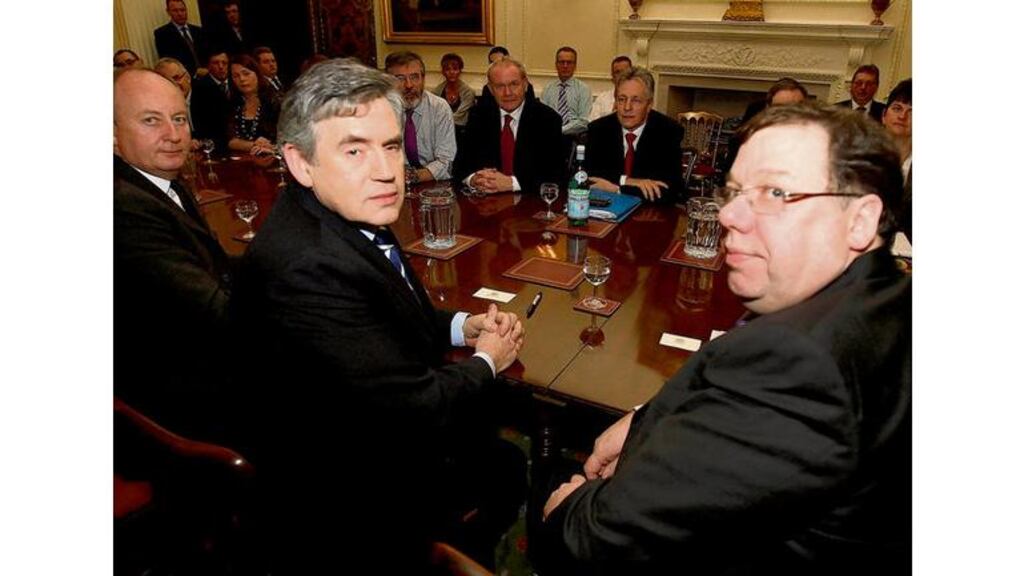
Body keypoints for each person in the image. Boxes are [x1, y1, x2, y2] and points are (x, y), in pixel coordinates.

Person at [539, 103, 910, 574]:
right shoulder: (885, 293)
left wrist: (569, 509)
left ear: (860, 220)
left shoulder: (799, 363)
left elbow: (595, 543)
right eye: (733, 191)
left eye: (775, 192)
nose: (729, 215)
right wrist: (640, 421)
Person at [229, 58, 527, 572]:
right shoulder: (308, 265)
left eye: (390, 146)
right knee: (509, 465)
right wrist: (487, 360)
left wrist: (462, 325)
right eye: (353, 150)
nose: (386, 169)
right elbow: (415, 408)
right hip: (347, 502)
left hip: (361, 434)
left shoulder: (341, 210)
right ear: (299, 163)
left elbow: (386, 308)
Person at [114, 68, 232, 440]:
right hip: (176, 394)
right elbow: (216, 312)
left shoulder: (157, 182)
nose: (174, 134)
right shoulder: (123, 206)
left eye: (179, 119)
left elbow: (213, 267)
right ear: (112, 134)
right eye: (151, 121)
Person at [453, 58, 563, 194]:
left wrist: (511, 183)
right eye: (500, 86)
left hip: (530, 203)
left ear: (525, 84)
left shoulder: (547, 119)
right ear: (491, 89)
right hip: (486, 204)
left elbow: (555, 175)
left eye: (514, 84)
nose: (508, 93)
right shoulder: (479, 116)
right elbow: (460, 167)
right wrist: (473, 179)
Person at [585, 66, 683, 204]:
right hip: (604, 212)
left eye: (636, 100)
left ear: (649, 105)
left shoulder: (668, 131)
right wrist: (628, 181)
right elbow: (588, 179)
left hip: (649, 216)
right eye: (622, 99)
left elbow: (669, 190)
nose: (627, 107)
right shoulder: (599, 129)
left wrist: (616, 189)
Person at [385, 50, 457, 183]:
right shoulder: (380, 110)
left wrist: (413, 177)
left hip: (432, 184)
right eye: (400, 79)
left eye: (414, 77)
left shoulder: (439, 108)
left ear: (423, 79)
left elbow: (446, 162)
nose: (409, 85)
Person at [226, 53, 278, 155]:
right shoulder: (232, 104)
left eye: (246, 73)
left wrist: (272, 147)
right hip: (241, 162)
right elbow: (230, 141)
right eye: (236, 76)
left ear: (257, 74)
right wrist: (254, 145)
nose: (242, 79)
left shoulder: (275, 102)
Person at [882, 78, 911, 240]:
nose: (903, 116)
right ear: (884, 116)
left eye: (912, 111)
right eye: (897, 108)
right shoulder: (862, 156)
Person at [539, 46, 591, 138]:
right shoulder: (548, 89)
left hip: (574, 137)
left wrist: (560, 130)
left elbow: (584, 121)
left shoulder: (583, 89)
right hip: (549, 136)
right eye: (562, 62)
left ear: (575, 66)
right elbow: (542, 117)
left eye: (569, 62)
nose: (565, 66)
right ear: (556, 65)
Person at [190, 50, 233, 150]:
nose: (221, 66)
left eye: (224, 63)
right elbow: (200, 122)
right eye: (216, 63)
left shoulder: (235, 81)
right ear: (208, 66)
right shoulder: (200, 88)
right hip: (215, 143)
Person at [153, 0, 207, 76]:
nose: (180, 14)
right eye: (175, 11)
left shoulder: (198, 30)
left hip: (207, 76)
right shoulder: (162, 34)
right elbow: (169, 61)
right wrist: (195, 71)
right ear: (168, 12)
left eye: (182, 10)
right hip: (183, 77)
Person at [153, 57, 196, 141]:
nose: (175, 84)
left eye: (177, 78)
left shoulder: (208, 94)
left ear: (188, 77)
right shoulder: (160, 107)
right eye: (168, 81)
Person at [432, 53, 476, 129]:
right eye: (447, 69)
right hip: (441, 129)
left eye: (455, 69)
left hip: (461, 130)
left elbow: (460, 116)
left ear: (460, 71)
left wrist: (442, 122)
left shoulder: (468, 92)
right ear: (443, 72)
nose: (451, 72)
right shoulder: (436, 92)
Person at [588, 55, 632, 121]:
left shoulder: (639, 99)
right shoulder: (602, 99)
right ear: (612, 77)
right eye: (617, 72)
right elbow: (592, 124)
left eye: (625, 71)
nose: (622, 75)